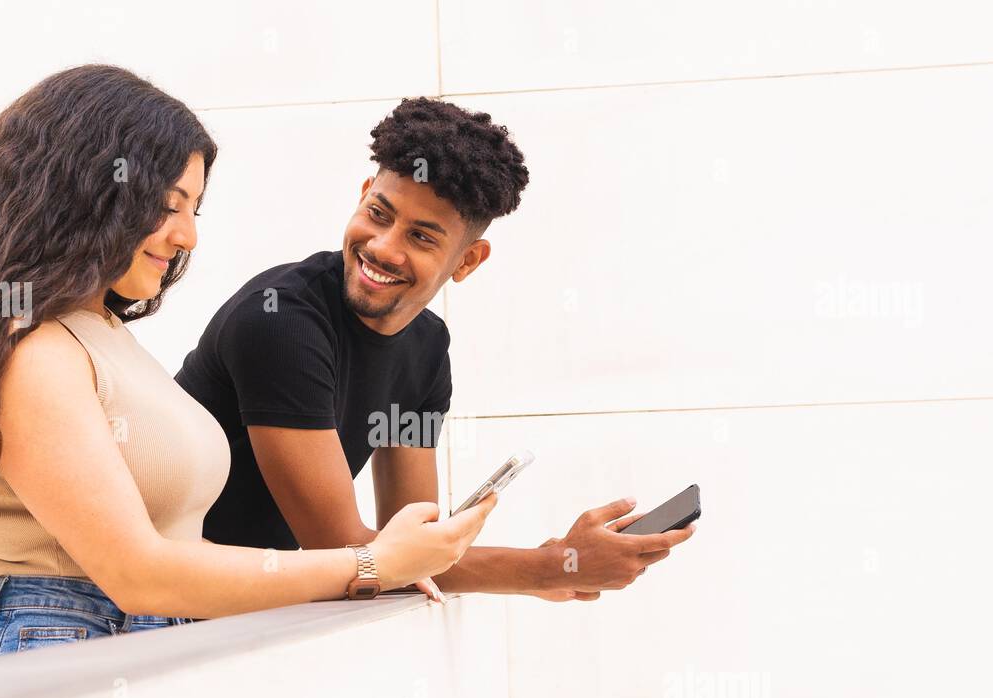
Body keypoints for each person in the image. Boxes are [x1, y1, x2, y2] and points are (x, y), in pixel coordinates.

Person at [0, 67, 494, 663]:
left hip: (134, 649)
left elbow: (170, 563)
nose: (188, 235)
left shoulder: (102, 336)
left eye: (194, 209)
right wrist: (370, 564)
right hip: (51, 649)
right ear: (86, 193)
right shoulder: (35, 353)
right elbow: (137, 572)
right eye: (168, 207)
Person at [175, 98, 693, 603]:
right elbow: (343, 547)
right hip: (155, 610)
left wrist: (553, 564)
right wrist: (550, 567)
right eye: (378, 213)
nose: (382, 246)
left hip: (243, 610)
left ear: (467, 261)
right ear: (362, 195)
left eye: (421, 238)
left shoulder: (426, 349)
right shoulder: (281, 323)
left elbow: (410, 540)